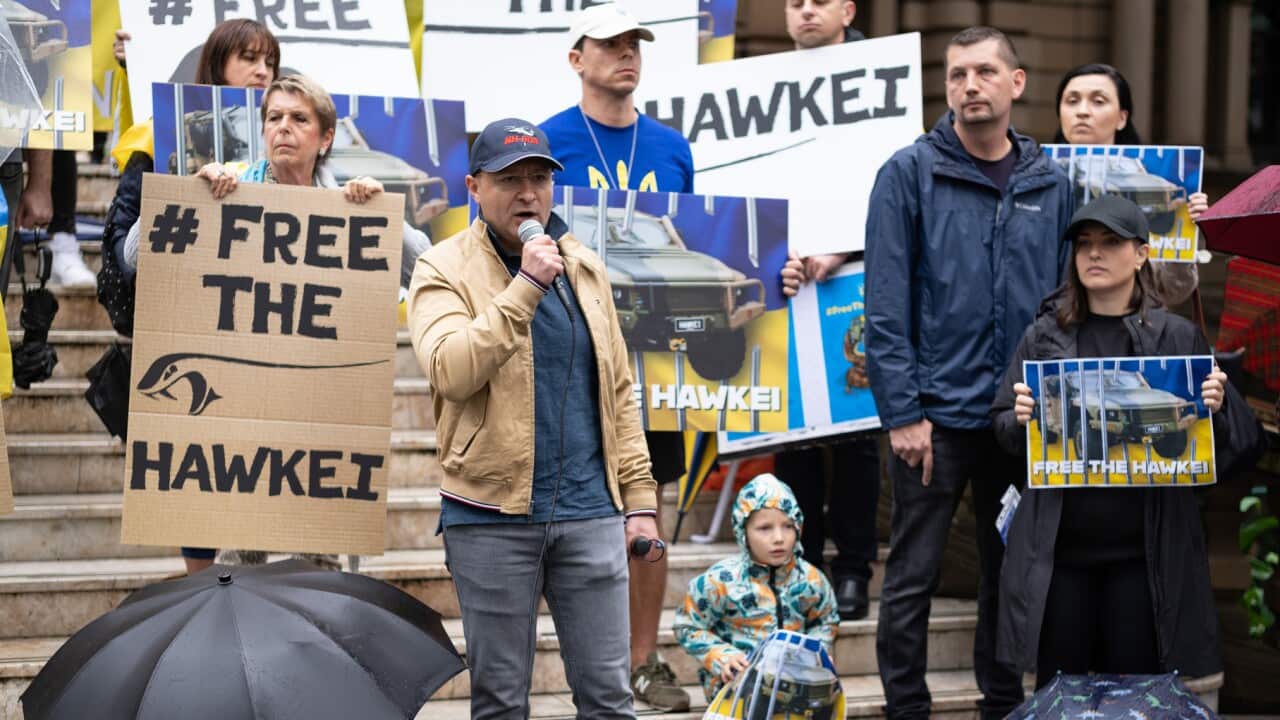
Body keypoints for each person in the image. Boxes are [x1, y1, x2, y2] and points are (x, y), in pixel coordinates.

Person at [126, 74, 430, 575]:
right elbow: (137, 257)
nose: (283, 128)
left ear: (325, 137)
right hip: (242, 413)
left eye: (298, 118)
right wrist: (195, 192)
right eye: (274, 117)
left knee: (323, 570)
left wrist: (383, 216)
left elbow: (428, 270)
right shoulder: (233, 184)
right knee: (239, 568)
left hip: (322, 416)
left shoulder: (352, 204)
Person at [408, 118, 660, 720]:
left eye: (540, 179)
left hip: (590, 511)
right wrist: (524, 286)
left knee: (610, 700)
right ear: (473, 186)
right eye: (510, 179)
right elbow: (451, 369)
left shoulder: (583, 263)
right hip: (491, 515)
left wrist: (640, 498)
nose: (528, 193)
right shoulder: (440, 267)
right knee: (499, 701)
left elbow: (619, 391)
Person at [864, 26, 1075, 720]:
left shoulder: (1053, 180)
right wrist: (902, 413)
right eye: (956, 75)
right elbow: (886, 304)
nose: (969, 86)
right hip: (935, 417)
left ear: (1016, 84)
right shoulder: (908, 172)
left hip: (1020, 417)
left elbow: (1070, 298)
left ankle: (1001, 704)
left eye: (984, 72)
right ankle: (905, 708)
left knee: (1009, 572)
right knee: (912, 575)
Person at [991, 195, 1263, 687]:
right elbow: (1004, 429)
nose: (1094, 253)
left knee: (1137, 698)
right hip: (1062, 562)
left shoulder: (1178, 339)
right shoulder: (1043, 336)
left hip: (1145, 563)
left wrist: (1218, 409)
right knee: (1062, 700)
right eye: (1085, 244)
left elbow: (1237, 450)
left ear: (1141, 254)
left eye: (1111, 242)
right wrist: (1021, 417)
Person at [539, 4, 693, 710]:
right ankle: (591, 665)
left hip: (659, 356)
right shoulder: (547, 140)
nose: (625, 55)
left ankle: (641, 658)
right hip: (571, 347)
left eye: (635, 44)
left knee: (647, 506)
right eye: (610, 44)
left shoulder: (670, 146)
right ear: (577, 57)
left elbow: (692, 239)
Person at [777, 0, 881, 624]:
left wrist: (840, 247)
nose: (806, 9)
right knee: (793, 441)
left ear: (847, 9)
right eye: (794, 2)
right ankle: (801, 564)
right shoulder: (761, 92)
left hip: (858, 282)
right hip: (787, 287)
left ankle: (852, 570)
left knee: (858, 439)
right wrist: (775, 256)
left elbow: (891, 185)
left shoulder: (878, 81)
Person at [100, 18, 280, 337]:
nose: (263, 71)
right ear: (217, 62)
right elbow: (124, 225)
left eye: (270, 62)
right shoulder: (162, 132)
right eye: (249, 58)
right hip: (180, 309)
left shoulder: (286, 138)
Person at [1053, 63, 1208, 307]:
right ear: (1060, 112)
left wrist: (1190, 231)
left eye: (1098, 101)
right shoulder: (1035, 177)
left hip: (1130, 333)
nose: (1082, 111)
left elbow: (1172, 290)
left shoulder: (1135, 166)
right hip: (1056, 326)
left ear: (1122, 117)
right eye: (1072, 101)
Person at [674, 473, 840, 701]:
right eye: (764, 528)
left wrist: (818, 652)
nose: (779, 538)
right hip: (735, 689)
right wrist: (722, 656)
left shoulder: (811, 579)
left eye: (788, 526)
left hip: (795, 686)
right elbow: (688, 625)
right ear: (743, 532)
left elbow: (825, 619)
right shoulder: (719, 581)